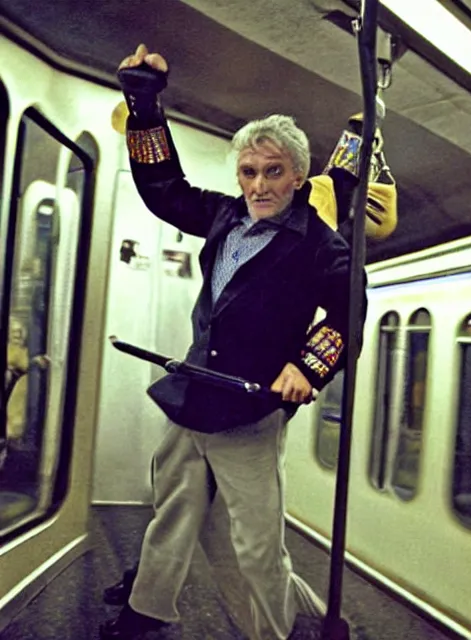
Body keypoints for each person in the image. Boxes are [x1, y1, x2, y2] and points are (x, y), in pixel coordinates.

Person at [101, 43, 367, 640]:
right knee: (168, 518)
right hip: (190, 397)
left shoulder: (321, 244)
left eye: (273, 172)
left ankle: (275, 631)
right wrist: (144, 103)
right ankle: (146, 610)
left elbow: (350, 313)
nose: (259, 184)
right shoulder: (224, 216)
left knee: (256, 547)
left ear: (299, 176)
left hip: (249, 412)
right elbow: (163, 186)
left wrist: (308, 366)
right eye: (249, 172)